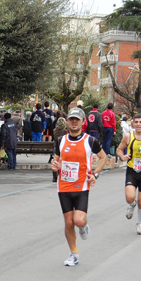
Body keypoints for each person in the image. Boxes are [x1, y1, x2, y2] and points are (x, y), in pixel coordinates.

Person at [51, 107, 107, 266]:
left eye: (77, 119)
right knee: (69, 222)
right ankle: (73, 253)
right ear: (67, 121)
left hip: (81, 187)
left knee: (79, 220)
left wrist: (95, 174)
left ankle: (83, 226)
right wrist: (55, 166)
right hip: (64, 188)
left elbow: (103, 158)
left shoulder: (90, 141)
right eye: (71, 119)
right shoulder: (61, 141)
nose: (74, 122)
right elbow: (56, 161)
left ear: (83, 122)